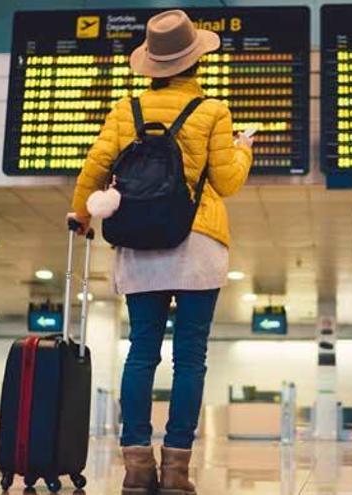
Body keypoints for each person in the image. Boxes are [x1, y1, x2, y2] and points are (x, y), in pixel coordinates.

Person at [68, 10, 253, 495]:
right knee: (190, 358)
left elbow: (95, 165)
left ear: (151, 66)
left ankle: (136, 468)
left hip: (140, 243)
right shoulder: (213, 110)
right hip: (198, 244)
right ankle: (176, 471)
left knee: (141, 353)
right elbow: (227, 181)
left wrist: (81, 215)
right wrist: (243, 148)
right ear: (196, 61)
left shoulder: (124, 110)